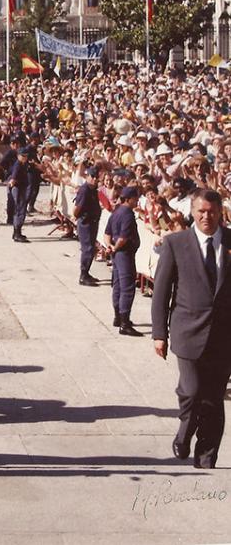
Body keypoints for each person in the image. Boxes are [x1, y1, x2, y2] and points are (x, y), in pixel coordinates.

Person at [151, 189, 231, 469]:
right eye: (201, 211)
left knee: (214, 398)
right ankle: (185, 432)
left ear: (220, 212)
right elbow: (161, 292)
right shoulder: (176, 244)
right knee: (193, 390)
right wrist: (159, 333)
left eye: (211, 211)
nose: (206, 216)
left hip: (224, 337)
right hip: (187, 332)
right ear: (192, 212)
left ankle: (206, 458)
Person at [104, 186, 143, 336]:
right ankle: (125, 323)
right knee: (127, 288)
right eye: (135, 198)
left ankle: (118, 317)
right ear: (128, 199)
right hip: (124, 254)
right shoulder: (127, 214)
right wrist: (115, 247)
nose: (137, 200)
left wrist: (109, 246)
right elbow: (123, 237)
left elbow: (107, 233)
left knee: (117, 285)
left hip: (117, 254)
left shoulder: (116, 212)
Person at [73, 166, 102, 286]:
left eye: (96, 177)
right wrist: (79, 217)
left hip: (92, 222)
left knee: (91, 249)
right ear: (87, 176)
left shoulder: (93, 189)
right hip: (86, 223)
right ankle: (83, 275)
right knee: (87, 249)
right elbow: (77, 208)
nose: (95, 179)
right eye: (92, 176)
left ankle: (87, 272)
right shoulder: (85, 190)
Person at [7, 147, 31, 242]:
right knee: (20, 210)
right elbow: (13, 177)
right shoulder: (18, 165)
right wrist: (12, 182)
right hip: (18, 188)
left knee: (19, 210)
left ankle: (17, 232)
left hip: (21, 188)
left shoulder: (23, 164)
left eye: (26, 156)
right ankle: (17, 233)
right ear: (18, 156)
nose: (25, 157)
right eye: (23, 156)